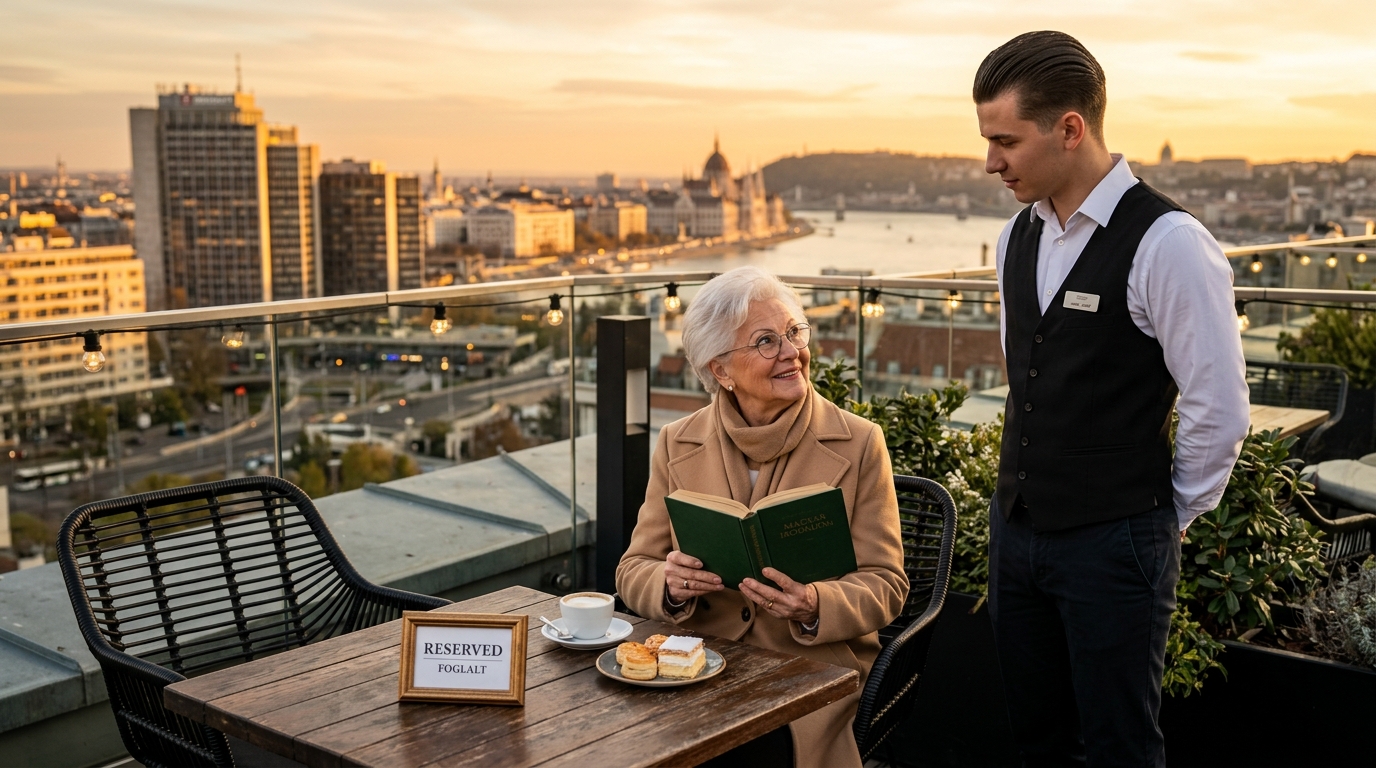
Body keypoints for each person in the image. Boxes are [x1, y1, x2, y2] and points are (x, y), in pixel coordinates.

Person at [974, 31, 1250, 767]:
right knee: (1036, 739)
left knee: (1120, 746)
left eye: (1005, 141)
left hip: (1116, 541)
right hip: (1018, 532)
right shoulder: (1013, 240)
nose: (990, 162)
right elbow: (1029, 373)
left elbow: (1218, 406)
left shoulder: (1170, 243)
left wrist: (1164, 518)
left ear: (1070, 129)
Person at [616, 266, 909, 768]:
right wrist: (668, 583)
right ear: (721, 370)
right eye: (767, 341)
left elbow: (887, 584)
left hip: (806, 669)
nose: (792, 352)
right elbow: (633, 567)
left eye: (795, 332)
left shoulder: (860, 442)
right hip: (696, 658)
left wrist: (814, 603)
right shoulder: (676, 441)